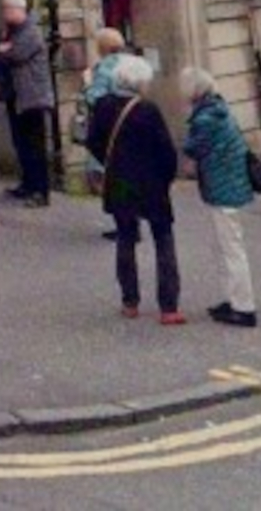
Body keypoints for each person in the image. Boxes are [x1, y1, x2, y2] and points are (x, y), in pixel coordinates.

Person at [84, 53, 184, 323]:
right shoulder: (147, 110)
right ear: (141, 82)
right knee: (163, 238)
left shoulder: (104, 107)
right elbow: (166, 151)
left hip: (120, 180)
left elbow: (92, 141)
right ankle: (169, 306)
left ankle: (130, 301)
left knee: (126, 238)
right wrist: (166, 178)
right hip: (151, 182)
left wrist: (111, 160)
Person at [177, 66, 258, 328]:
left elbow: (192, 147)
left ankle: (244, 307)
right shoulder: (217, 109)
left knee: (231, 249)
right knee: (224, 247)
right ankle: (232, 299)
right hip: (227, 183)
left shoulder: (205, 118)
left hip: (224, 188)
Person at [0, 0, 54, 206]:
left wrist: (4, 50)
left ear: (19, 9)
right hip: (14, 94)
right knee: (21, 143)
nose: (5, 13)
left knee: (35, 145)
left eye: (8, 9)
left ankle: (41, 190)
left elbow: (16, 55)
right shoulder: (8, 31)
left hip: (32, 95)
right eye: (4, 9)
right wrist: (1, 49)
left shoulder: (32, 32)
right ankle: (27, 183)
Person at [81, 27, 129, 236]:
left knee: (111, 175)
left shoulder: (104, 69)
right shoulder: (131, 65)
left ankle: (124, 224)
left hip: (110, 126)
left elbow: (95, 98)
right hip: (131, 122)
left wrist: (87, 84)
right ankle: (131, 220)